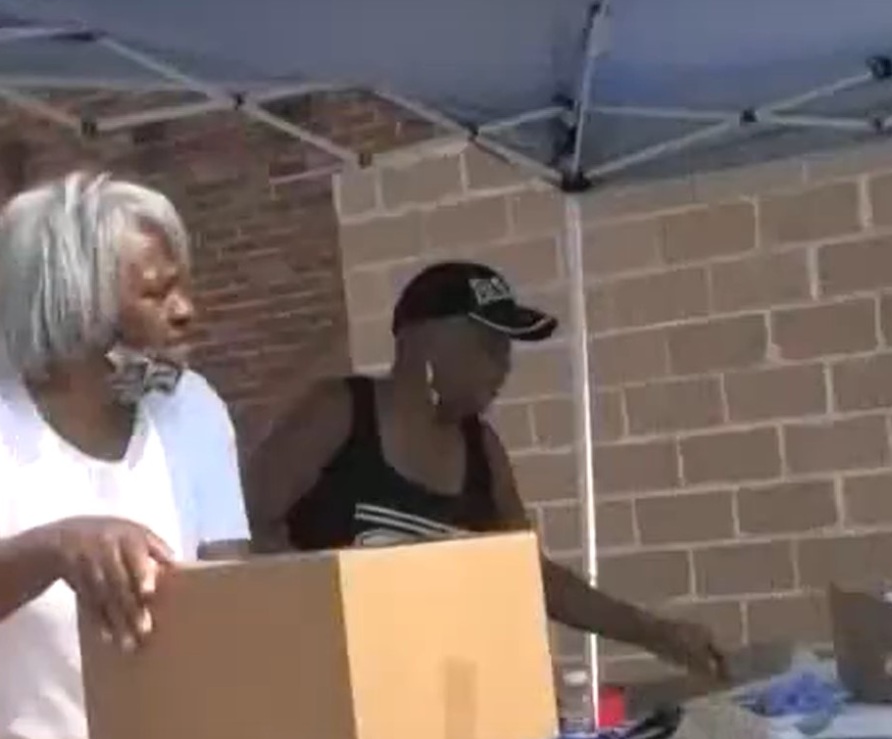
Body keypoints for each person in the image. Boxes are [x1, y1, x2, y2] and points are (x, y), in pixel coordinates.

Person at [0, 171, 251, 739]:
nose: (185, 311)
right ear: (74, 308)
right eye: (155, 293)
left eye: (181, 287)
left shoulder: (193, 407)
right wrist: (58, 547)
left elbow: (236, 597)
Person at [245, 260, 729, 682]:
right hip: (333, 695)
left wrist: (656, 633)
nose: (504, 367)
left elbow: (529, 575)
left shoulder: (483, 450)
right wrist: (325, 624)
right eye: (489, 346)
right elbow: (246, 526)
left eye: (508, 350)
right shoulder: (337, 414)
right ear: (426, 343)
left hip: (436, 695)